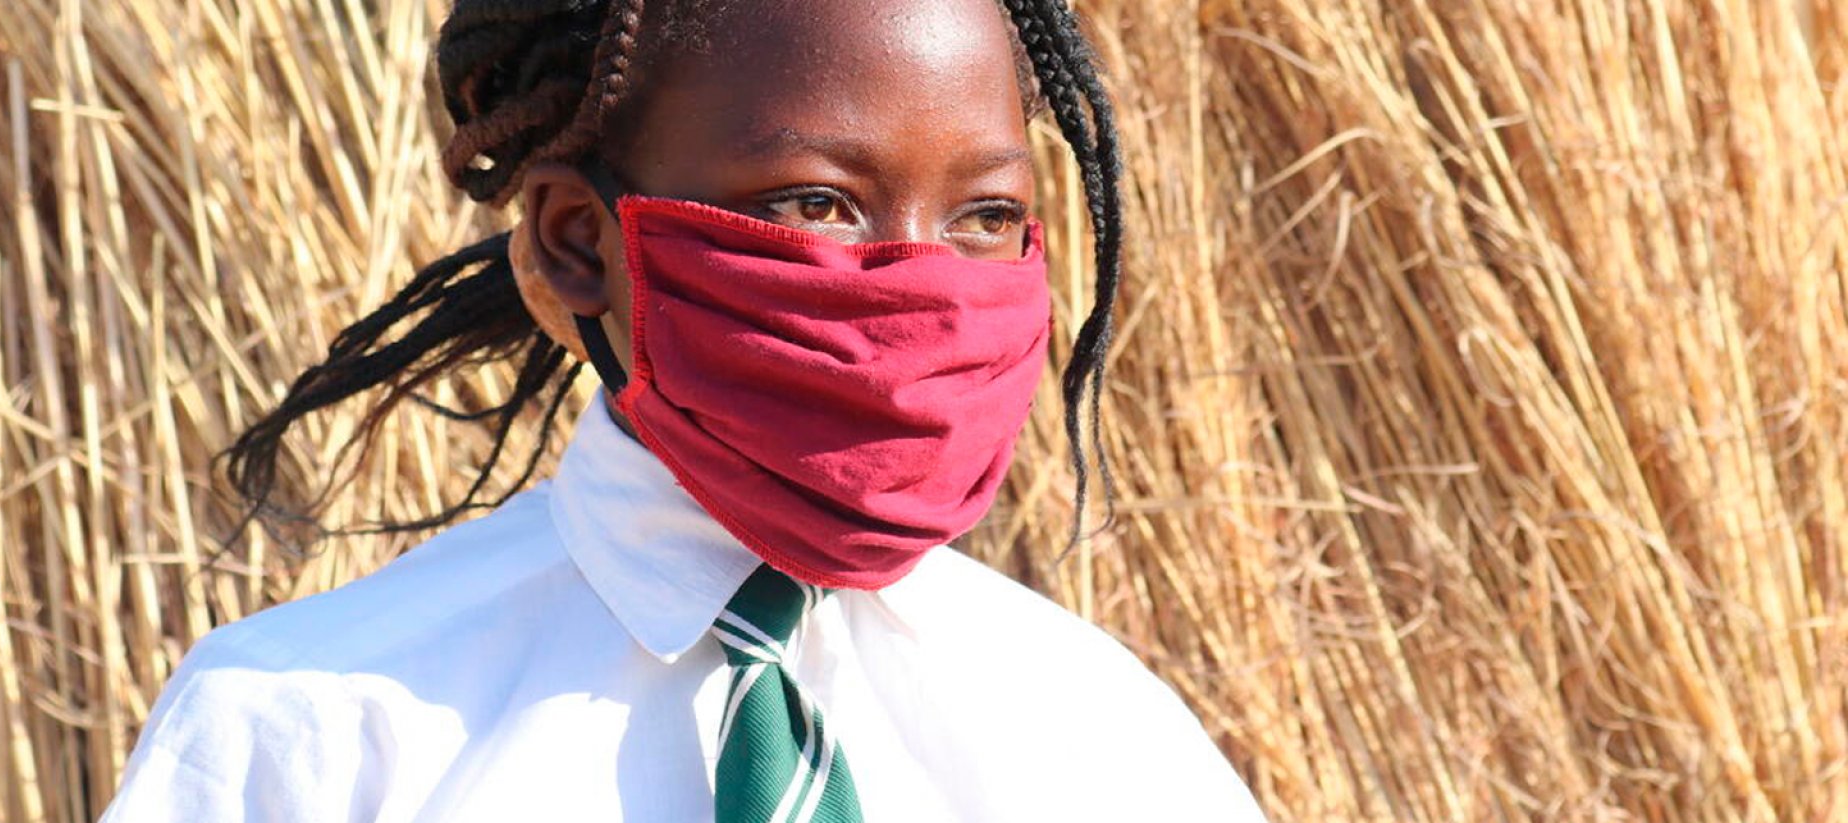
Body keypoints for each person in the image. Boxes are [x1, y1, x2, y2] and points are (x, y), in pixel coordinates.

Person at [101, 0, 1270, 819]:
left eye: (984, 217)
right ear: (577, 242)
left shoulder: (1102, 737)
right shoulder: (311, 733)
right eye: (819, 202)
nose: (919, 287)